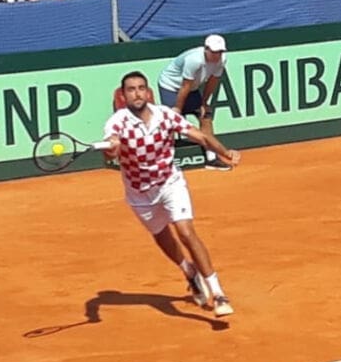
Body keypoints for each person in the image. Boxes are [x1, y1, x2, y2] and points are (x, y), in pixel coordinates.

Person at [102, 71, 240, 317]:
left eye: (141, 88)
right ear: (123, 95)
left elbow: (199, 135)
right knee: (162, 236)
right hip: (140, 193)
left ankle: (218, 294)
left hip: (170, 183)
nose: (137, 93)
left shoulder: (164, 115)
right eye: (131, 89)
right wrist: (112, 148)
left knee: (186, 231)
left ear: (148, 93)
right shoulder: (117, 122)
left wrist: (224, 152)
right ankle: (189, 271)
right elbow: (110, 152)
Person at [157, 34, 232, 171]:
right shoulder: (194, 60)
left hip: (191, 88)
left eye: (220, 52)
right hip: (170, 85)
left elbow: (213, 82)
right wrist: (178, 109)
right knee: (171, 120)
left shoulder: (222, 60)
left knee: (206, 116)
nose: (217, 55)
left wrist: (204, 103)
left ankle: (211, 158)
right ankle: (164, 160)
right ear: (206, 49)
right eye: (214, 52)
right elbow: (185, 86)